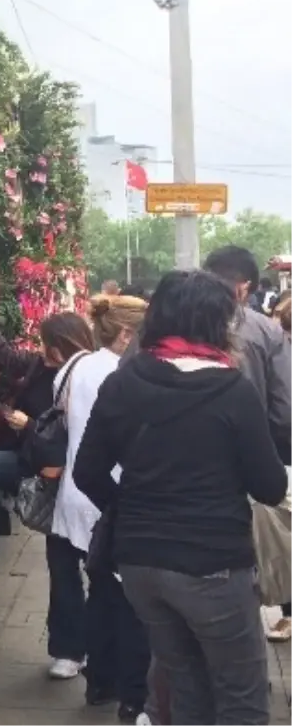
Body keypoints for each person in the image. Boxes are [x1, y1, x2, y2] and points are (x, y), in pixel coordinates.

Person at [74, 269, 288, 725]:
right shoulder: (233, 390)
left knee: (185, 686)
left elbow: (86, 471)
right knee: (242, 696)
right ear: (217, 323)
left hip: (140, 563)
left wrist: (130, 507)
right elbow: (270, 486)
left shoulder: (124, 382)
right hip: (212, 564)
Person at [0, 298, 97, 680]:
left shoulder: (89, 377)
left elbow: (73, 439)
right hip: (34, 467)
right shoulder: (35, 367)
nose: (42, 351)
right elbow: (6, 357)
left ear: (62, 346)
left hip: (76, 480)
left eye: (47, 345)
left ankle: (99, 649)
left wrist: (28, 425)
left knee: (91, 569)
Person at [53, 294, 150, 721]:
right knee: (125, 604)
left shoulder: (76, 366)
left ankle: (97, 681)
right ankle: (126, 688)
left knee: (98, 594)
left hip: (76, 491)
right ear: (127, 333)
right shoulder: (125, 374)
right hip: (110, 495)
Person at [201, 247, 292, 644]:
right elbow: (285, 407)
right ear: (245, 288)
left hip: (189, 476)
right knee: (254, 550)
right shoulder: (265, 330)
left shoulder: (164, 329)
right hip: (255, 465)